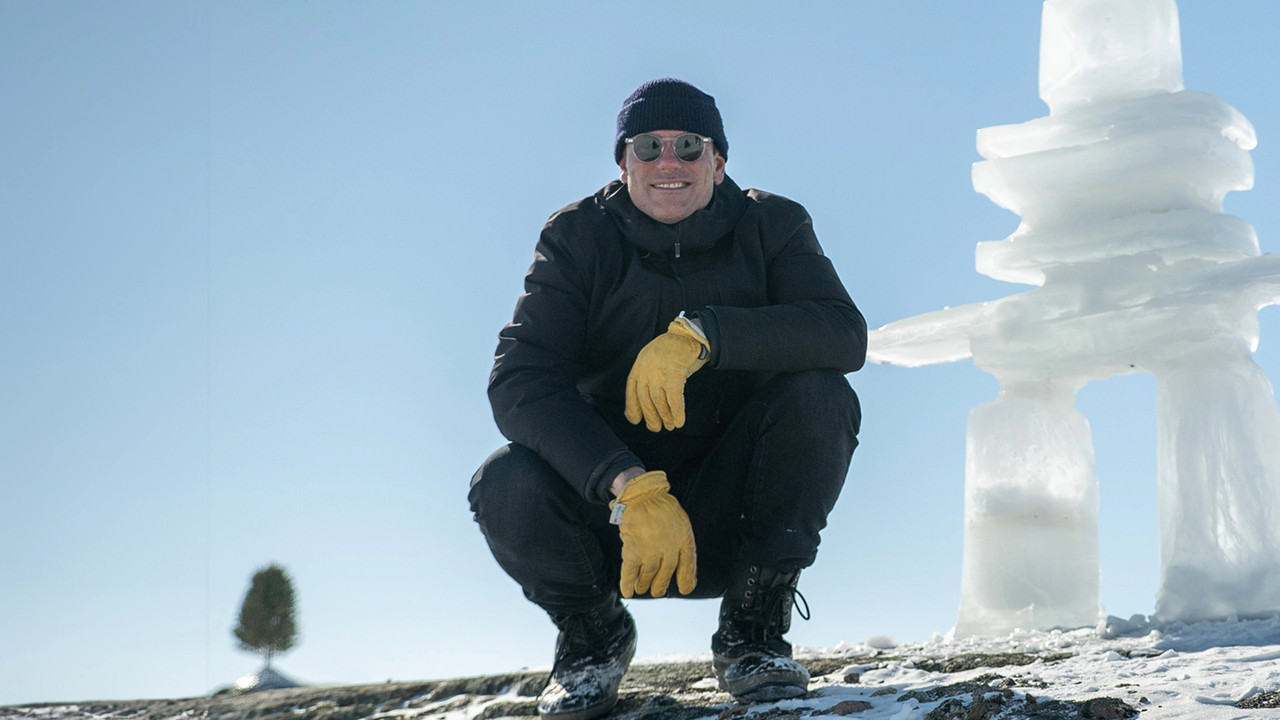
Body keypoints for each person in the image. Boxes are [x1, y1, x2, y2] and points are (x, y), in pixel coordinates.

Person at [469, 78, 865, 720]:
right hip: (619, 528)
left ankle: (754, 634)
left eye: (688, 145)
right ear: (623, 162)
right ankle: (593, 640)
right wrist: (626, 483)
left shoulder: (775, 225)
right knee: (505, 479)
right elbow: (520, 381)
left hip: (735, 515)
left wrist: (707, 335)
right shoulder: (575, 238)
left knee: (822, 394)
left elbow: (842, 333)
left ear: (719, 160)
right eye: (647, 146)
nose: (668, 162)